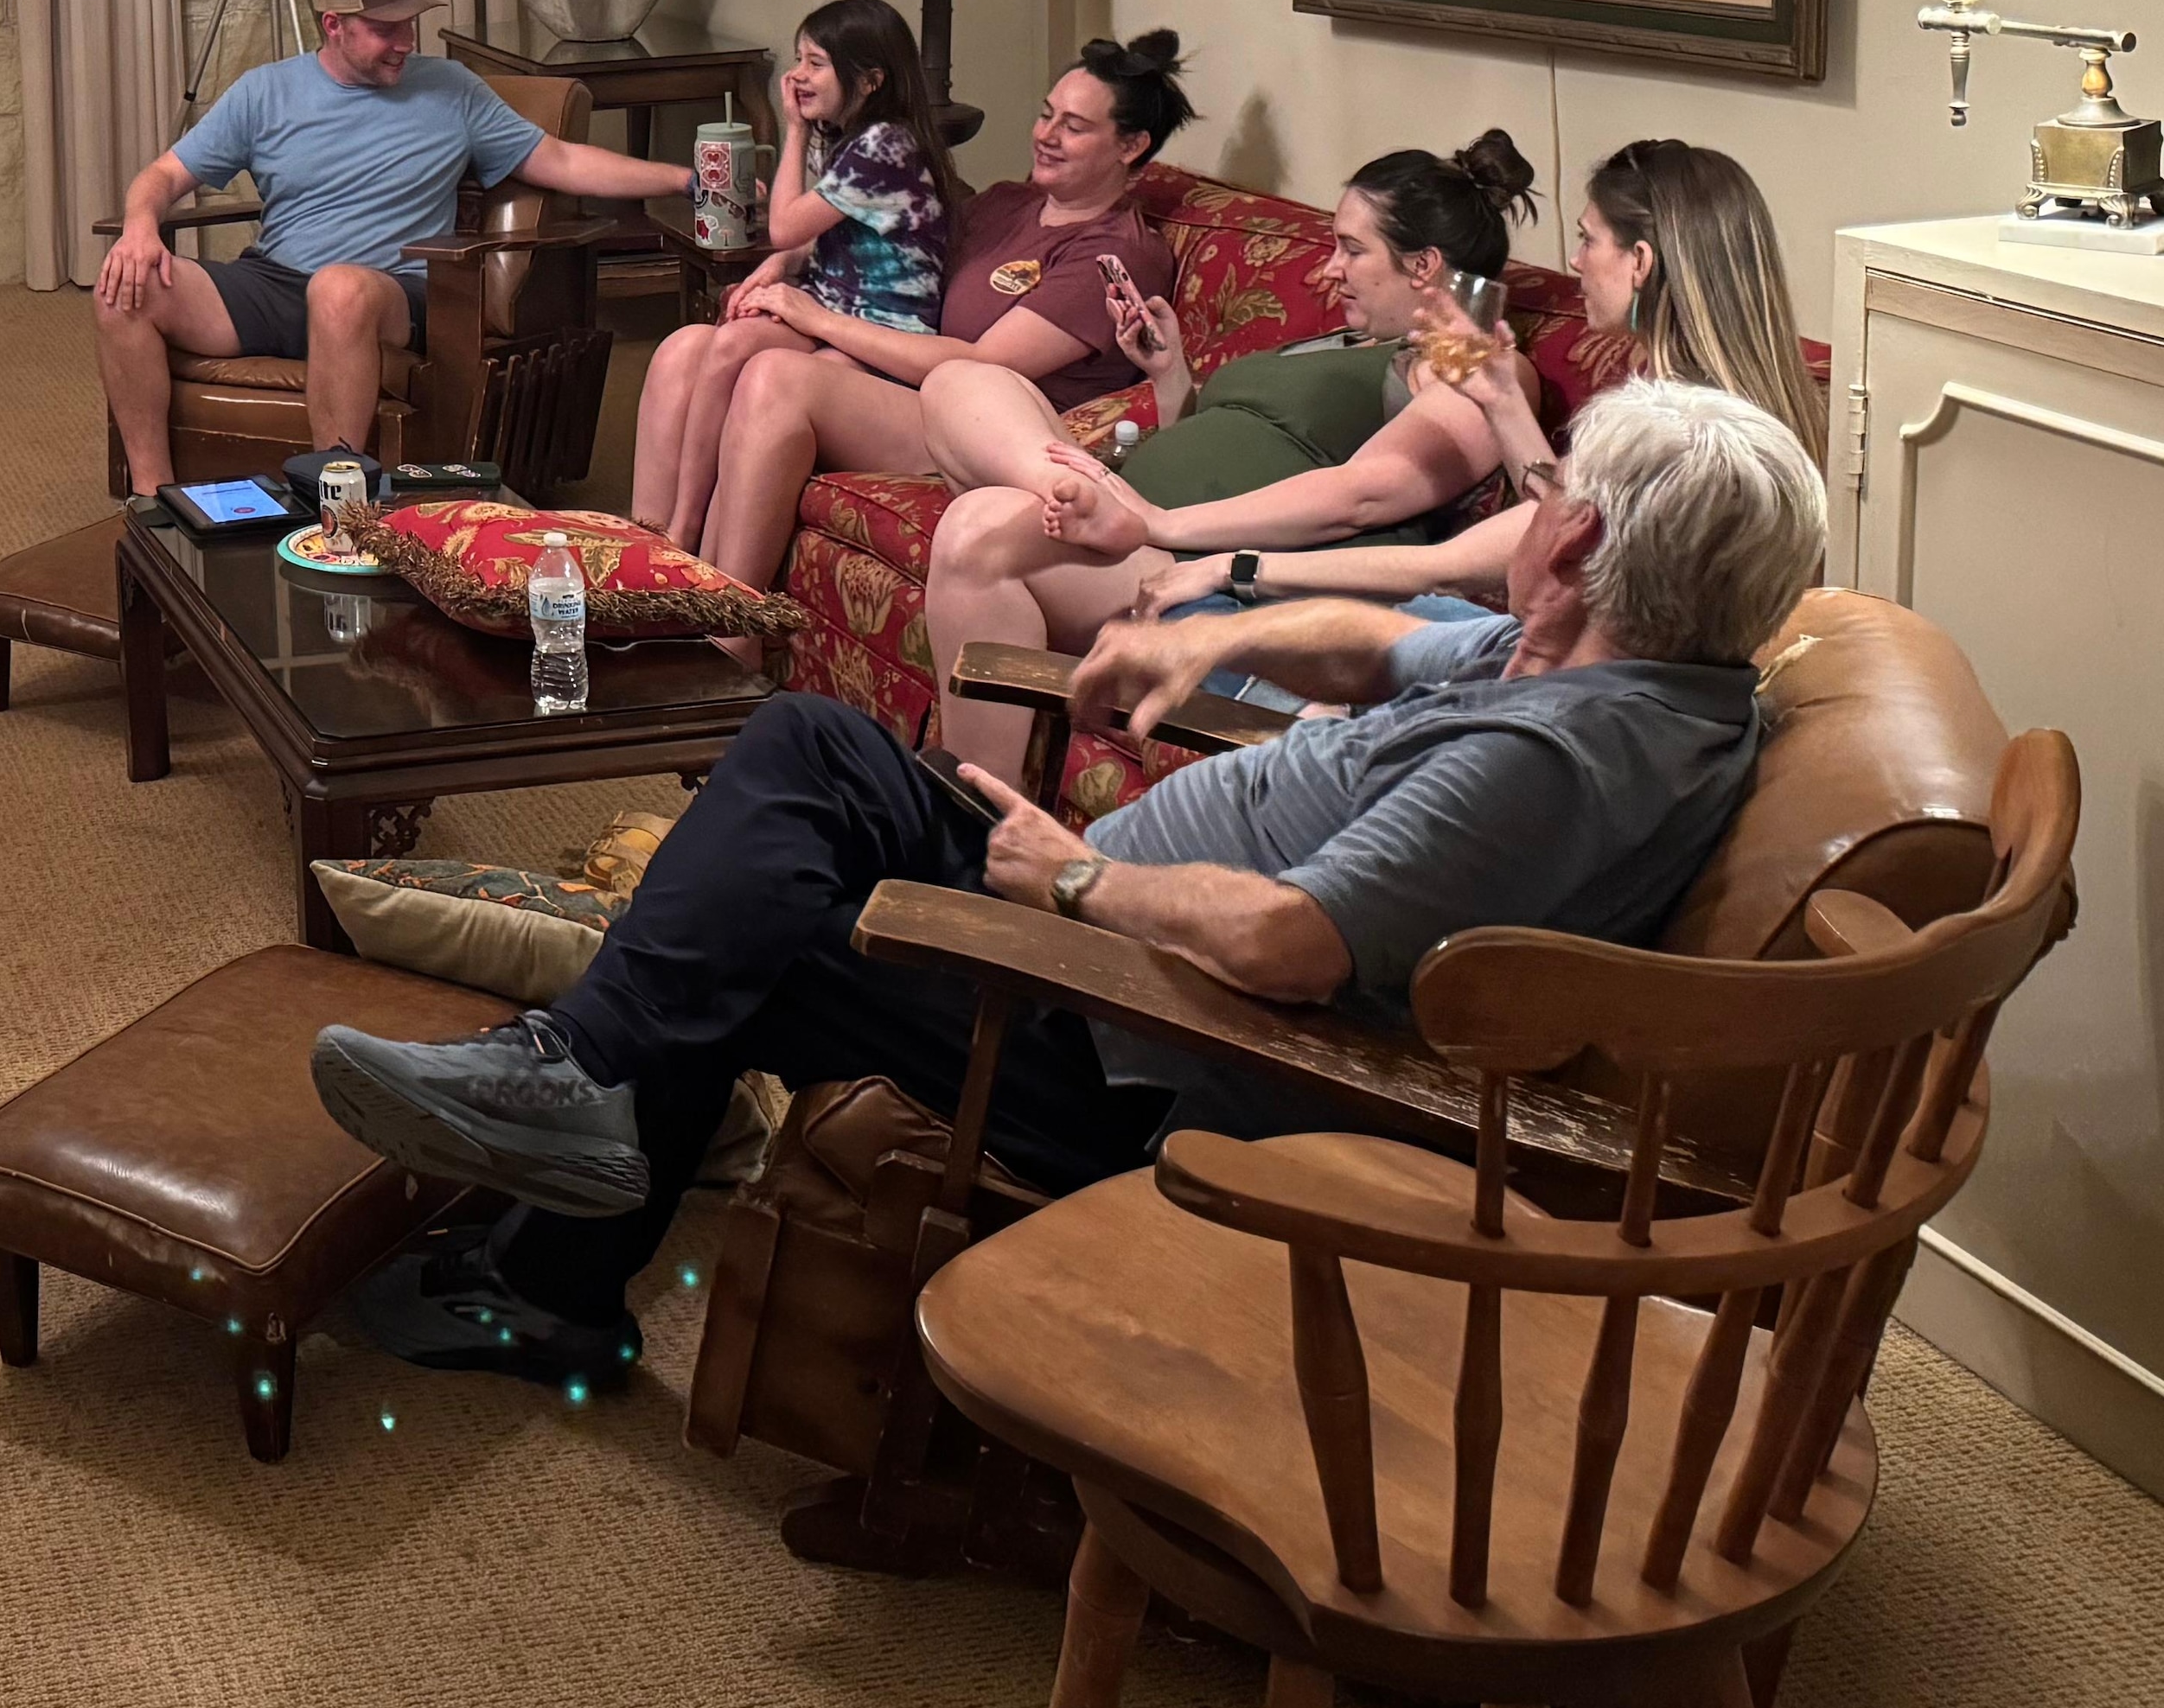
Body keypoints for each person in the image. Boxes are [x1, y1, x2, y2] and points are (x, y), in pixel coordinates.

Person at [303, 379, 1818, 1392]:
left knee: (754, 925)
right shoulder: (1606, 661)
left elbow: (1295, 944)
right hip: (1097, 946)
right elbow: (1384, 643)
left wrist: (1081, 880)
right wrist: (1218, 633)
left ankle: (557, 1266)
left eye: (1553, 492)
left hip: (1134, 1035)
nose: (1534, 506)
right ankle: (573, 1092)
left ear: (1578, 541)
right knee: (808, 748)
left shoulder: (1554, 759)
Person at [917, 133, 1538, 696]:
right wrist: (1170, 376)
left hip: (1194, 570)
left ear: (1424, 265)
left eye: (1352, 250)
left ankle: (1087, 503)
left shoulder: (1475, 367)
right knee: (960, 381)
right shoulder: (1345, 342)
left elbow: (1366, 495)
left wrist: (1162, 523)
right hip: (1143, 524)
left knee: (978, 527)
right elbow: (1213, 443)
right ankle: (1073, 491)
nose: (1330, 270)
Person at [1102, 139, 1815, 626]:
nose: (1573, 261)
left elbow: (1452, 564)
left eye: (1588, 239)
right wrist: (1501, 401)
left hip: (1585, 674)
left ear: (1641, 263)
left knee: (1355, 645)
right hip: (1558, 649)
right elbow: (1567, 519)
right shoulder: (1680, 408)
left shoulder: (1674, 429)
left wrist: (1230, 566)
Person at [95, 0, 699, 493]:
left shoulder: (452, 90)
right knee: (122, 290)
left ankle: (336, 504)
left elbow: (562, 160)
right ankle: (153, 500)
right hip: (274, 281)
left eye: (410, 22)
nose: (406, 41)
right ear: (334, 26)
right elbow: (163, 176)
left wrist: (683, 179)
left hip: (388, 291)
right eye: (385, 29)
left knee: (340, 288)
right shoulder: (265, 92)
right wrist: (140, 228)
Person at [664, 30, 1198, 593]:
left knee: (775, 378)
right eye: (1046, 115)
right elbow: (896, 248)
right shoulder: (1005, 203)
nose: (1046, 135)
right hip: (911, 388)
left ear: (1130, 146)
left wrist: (818, 320)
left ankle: (731, 618)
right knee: (691, 347)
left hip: (991, 432)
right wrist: (787, 263)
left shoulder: (1116, 251)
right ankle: (651, 580)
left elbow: (984, 363)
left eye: (1075, 127)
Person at [629, 0, 963, 553]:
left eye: (816, 63)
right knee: (692, 346)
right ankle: (653, 540)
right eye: (798, 58)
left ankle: (684, 533)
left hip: (880, 330)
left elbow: (784, 224)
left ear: (870, 80)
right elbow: (809, 234)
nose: (798, 75)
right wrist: (777, 267)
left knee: (735, 348)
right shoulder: (848, 135)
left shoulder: (885, 143)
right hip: (830, 305)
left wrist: (794, 130)